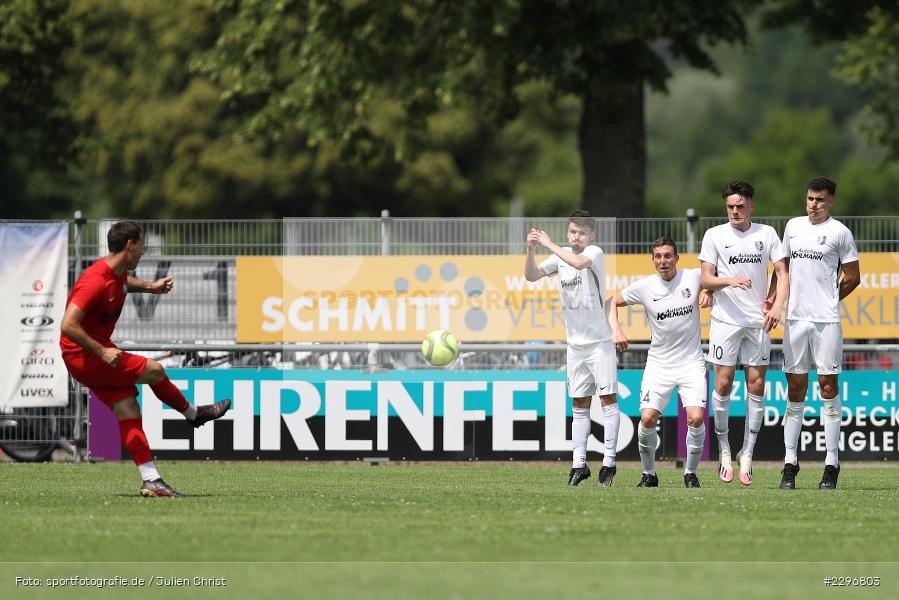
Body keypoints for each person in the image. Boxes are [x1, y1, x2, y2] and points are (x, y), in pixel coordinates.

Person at [60, 220, 231, 497]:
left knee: (127, 409)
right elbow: (68, 325)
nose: (143, 251)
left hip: (89, 355)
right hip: (86, 356)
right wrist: (101, 351)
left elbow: (124, 283)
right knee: (155, 370)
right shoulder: (94, 281)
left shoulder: (115, 273)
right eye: (141, 245)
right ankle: (194, 414)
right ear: (130, 245)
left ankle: (151, 479)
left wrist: (151, 287)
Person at [699, 181, 788, 486]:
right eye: (730, 206)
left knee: (757, 383)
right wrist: (728, 281)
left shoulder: (766, 234)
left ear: (752, 206)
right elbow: (706, 279)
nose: (734, 211)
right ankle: (724, 451)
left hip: (758, 321)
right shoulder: (714, 235)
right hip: (725, 321)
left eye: (740, 206)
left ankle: (747, 453)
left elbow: (782, 273)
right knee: (723, 383)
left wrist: (776, 304)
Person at [776, 177, 860, 490]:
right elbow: (782, 268)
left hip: (826, 320)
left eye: (820, 200)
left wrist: (830, 297)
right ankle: (789, 463)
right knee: (795, 389)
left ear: (831, 202)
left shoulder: (840, 232)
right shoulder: (793, 226)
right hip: (795, 319)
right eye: (810, 198)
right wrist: (776, 300)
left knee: (827, 386)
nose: (814, 205)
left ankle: (831, 464)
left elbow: (853, 276)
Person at [525, 210, 620, 487]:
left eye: (581, 232)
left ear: (592, 235)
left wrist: (549, 243)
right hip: (575, 344)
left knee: (607, 401)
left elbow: (578, 263)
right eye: (572, 231)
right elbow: (531, 276)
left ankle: (609, 463)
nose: (575, 236)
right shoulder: (559, 256)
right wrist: (531, 250)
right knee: (579, 403)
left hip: (600, 341)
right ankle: (579, 464)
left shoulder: (595, 252)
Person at [610, 237, 711, 488]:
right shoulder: (646, 287)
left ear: (677, 258)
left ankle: (690, 473)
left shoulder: (693, 277)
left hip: (691, 363)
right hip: (659, 364)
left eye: (668, 256)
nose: (663, 261)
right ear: (653, 259)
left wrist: (709, 288)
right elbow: (610, 301)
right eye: (658, 256)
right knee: (646, 420)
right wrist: (616, 329)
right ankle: (649, 474)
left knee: (696, 418)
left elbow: (716, 275)